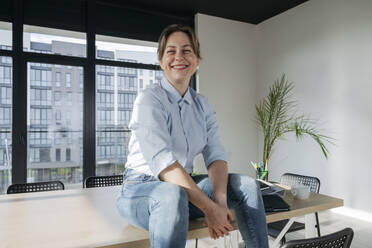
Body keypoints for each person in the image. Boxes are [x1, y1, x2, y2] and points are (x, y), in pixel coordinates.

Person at [116, 24, 269, 248]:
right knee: (171, 195)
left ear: (197, 60)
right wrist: (209, 209)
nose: (179, 57)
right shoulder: (149, 100)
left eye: (187, 51)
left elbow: (215, 154)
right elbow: (164, 163)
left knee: (247, 186)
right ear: (161, 61)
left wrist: (219, 200)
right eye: (171, 51)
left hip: (182, 190)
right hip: (141, 190)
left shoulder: (201, 104)